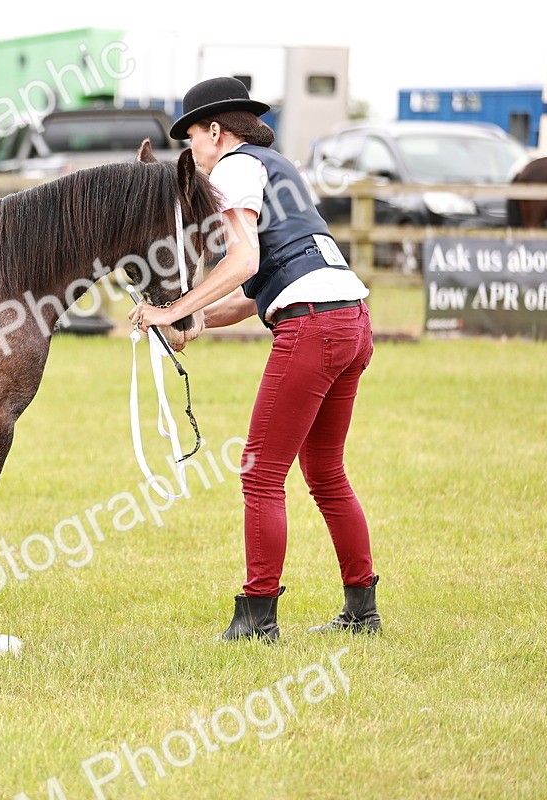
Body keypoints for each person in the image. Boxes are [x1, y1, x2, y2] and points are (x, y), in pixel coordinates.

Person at [129, 77, 380, 642]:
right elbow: (259, 286)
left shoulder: (233, 168)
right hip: (350, 318)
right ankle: (361, 609)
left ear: (215, 131)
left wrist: (171, 311)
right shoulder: (276, 164)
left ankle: (257, 616)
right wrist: (196, 321)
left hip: (314, 324)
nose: (191, 150)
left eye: (191, 136)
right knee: (325, 472)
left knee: (260, 473)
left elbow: (242, 261)